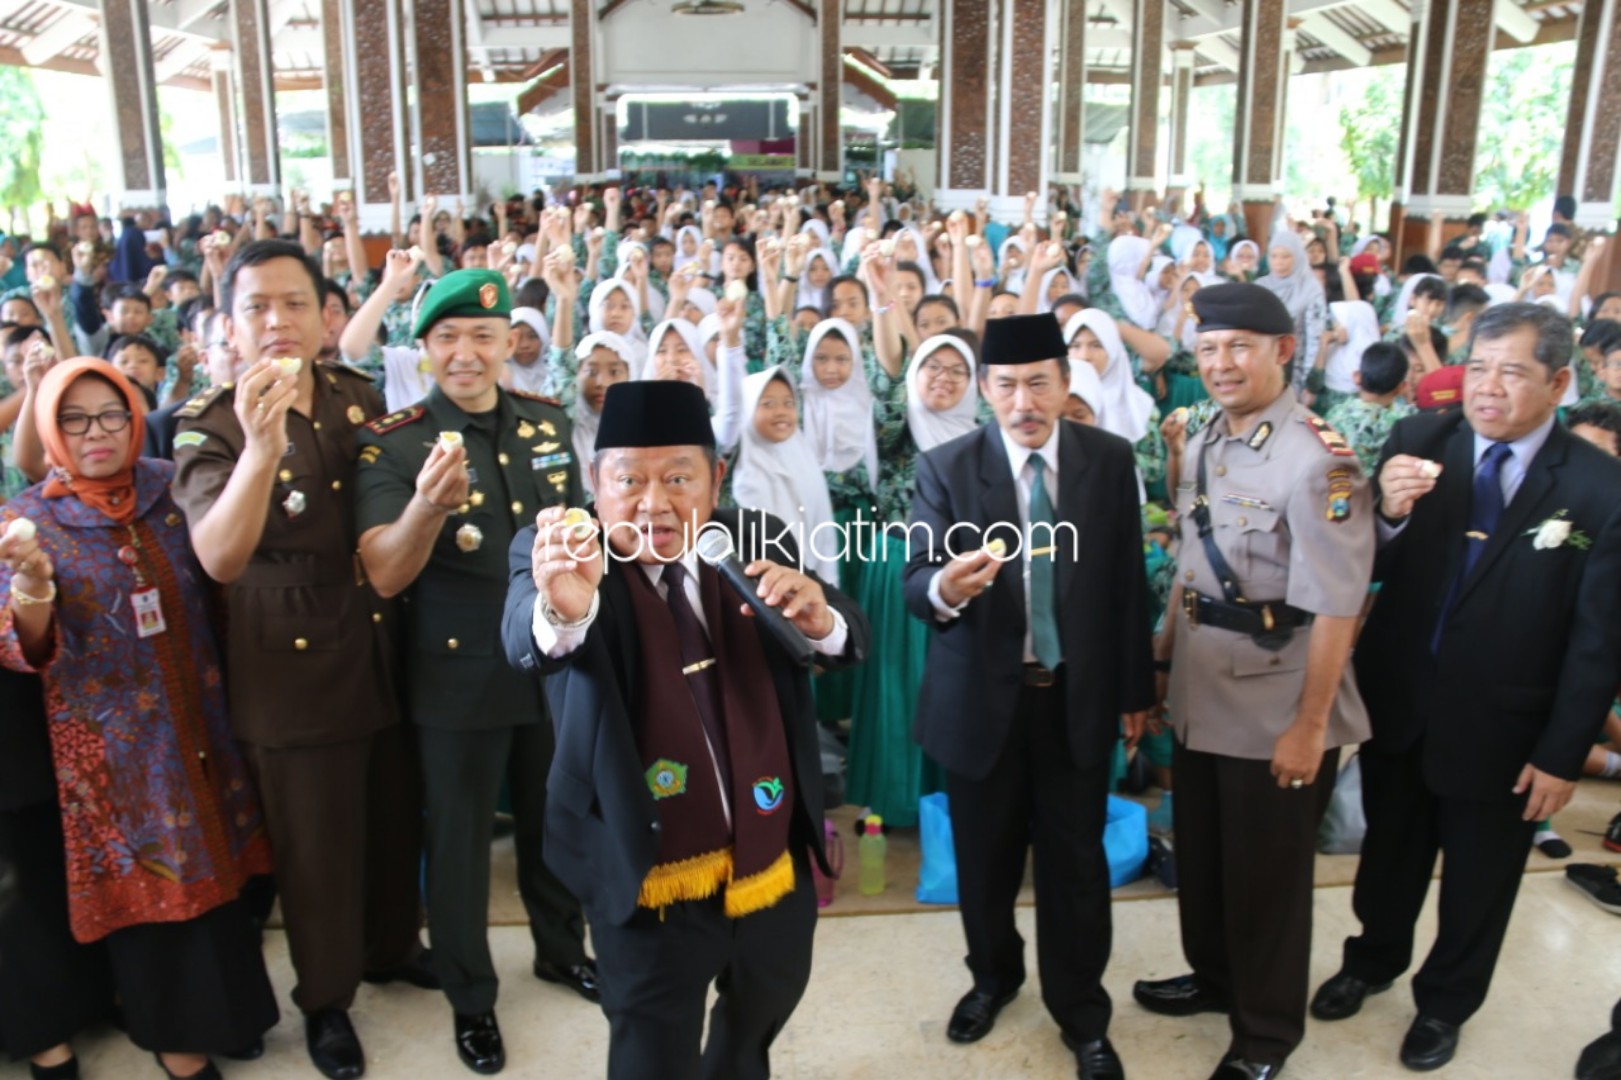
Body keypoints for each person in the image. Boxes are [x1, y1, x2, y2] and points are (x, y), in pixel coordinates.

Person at [501, 380, 869, 1080]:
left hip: (770, 858)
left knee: (762, 1008)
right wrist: (566, 611)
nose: (653, 503)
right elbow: (526, 638)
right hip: (645, 872)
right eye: (628, 481)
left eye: (678, 478)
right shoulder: (557, 548)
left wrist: (822, 620)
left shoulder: (754, 538)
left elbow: (845, 628)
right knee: (650, 1047)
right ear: (593, 480)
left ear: (715, 477)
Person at [1311, 302, 1621, 1072]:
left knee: (1479, 882)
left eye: (1510, 371)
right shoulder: (1420, 439)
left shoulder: (1597, 487)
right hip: (1402, 702)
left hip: (1506, 726)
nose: (1487, 387)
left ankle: (1445, 1004)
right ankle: (1370, 960)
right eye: (1477, 367)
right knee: (1388, 854)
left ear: (1556, 381)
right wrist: (1382, 508)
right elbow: (1360, 556)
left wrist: (1559, 754)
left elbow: (1598, 640)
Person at [170, 240, 434, 1080]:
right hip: (288, 661)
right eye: (257, 307)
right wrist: (258, 444)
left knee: (394, 813)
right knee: (316, 846)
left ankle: (393, 947)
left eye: (294, 304)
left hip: (381, 634)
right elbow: (219, 554)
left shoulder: (357, 398)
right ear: (231, 325)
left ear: (327, 317)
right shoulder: (207, 422)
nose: (277, 322)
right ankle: (326, 999)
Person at [0, 360, 279, 1080]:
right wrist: (32, 589)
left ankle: (231, 1019)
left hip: (204, 726)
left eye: (112, 414)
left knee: (222, 886)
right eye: (74, 418)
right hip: (114, 758)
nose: (97, 433)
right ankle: (178, 1048)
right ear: (49, 430)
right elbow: (23, 645)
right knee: (155, 899)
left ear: (135, 415)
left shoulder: (169, 487)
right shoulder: (29, 519)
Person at [354, 269, 594, 1075]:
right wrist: (425, 506)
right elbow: (383, 572)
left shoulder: (544, 424)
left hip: (553, 667)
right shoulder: (397, 440)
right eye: (449, 338)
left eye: (483, 337)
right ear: (423, 349)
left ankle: (561, 951)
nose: (467, 353)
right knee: (457, 844)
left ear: (506, 344)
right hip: (458, 675)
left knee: (557, 822)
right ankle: (470, 997)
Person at [903, 313, 1153, 1079]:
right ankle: (993, 979)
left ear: (1065, 383)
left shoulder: (1107, 462)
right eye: (1006, 385)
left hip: (1073, 697)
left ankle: (1082, 1014)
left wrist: (1134, 692)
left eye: (1039, 382)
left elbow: (1123, 584)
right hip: (981, 701)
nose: (1023, 401)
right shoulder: (946, 467)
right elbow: (916, 582)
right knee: (984, 861)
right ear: (985, 390)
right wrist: (946, 584)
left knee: (1075, 866)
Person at [1138, 282, 1374, 1080]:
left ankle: (1266, 1035)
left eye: (1237, 346)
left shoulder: (1319, 459)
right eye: (1206, 349)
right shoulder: (1209, 436)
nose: (1219, 363)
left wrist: (1309, 726)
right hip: (1204, 686)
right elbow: (1191, 566)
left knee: (1266, 882)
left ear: (1281, 350)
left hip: (1279, 693)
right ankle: (1215, 982)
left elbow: (1338, 604)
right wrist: (1163, 662)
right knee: (1201, 858)